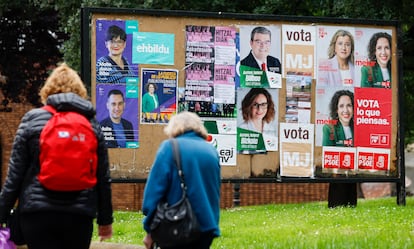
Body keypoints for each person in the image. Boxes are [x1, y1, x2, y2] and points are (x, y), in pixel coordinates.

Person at [0, 63, 113, 249]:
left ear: (47, 91)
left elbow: (15, 176)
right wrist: (105, 221)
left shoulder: (32, 119)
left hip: (37, 214)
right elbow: (103, 178)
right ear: (80, 92)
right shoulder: (91, 125)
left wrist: (2, 214)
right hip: (79, 215)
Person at [142, 111, 221, 249]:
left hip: (177, 224)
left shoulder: (169, 147)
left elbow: (153, 192)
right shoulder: (211, 151)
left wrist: (149, 228)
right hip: (207, 226)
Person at [322, 89, 357, 208]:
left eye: (349, 105)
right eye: (341, 106)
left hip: (353, 174)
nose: (346, 110)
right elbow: (328, 154)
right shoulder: (329, 128)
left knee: (351, 206)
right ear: (336, 110)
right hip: (337, 175)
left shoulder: (358, 128)